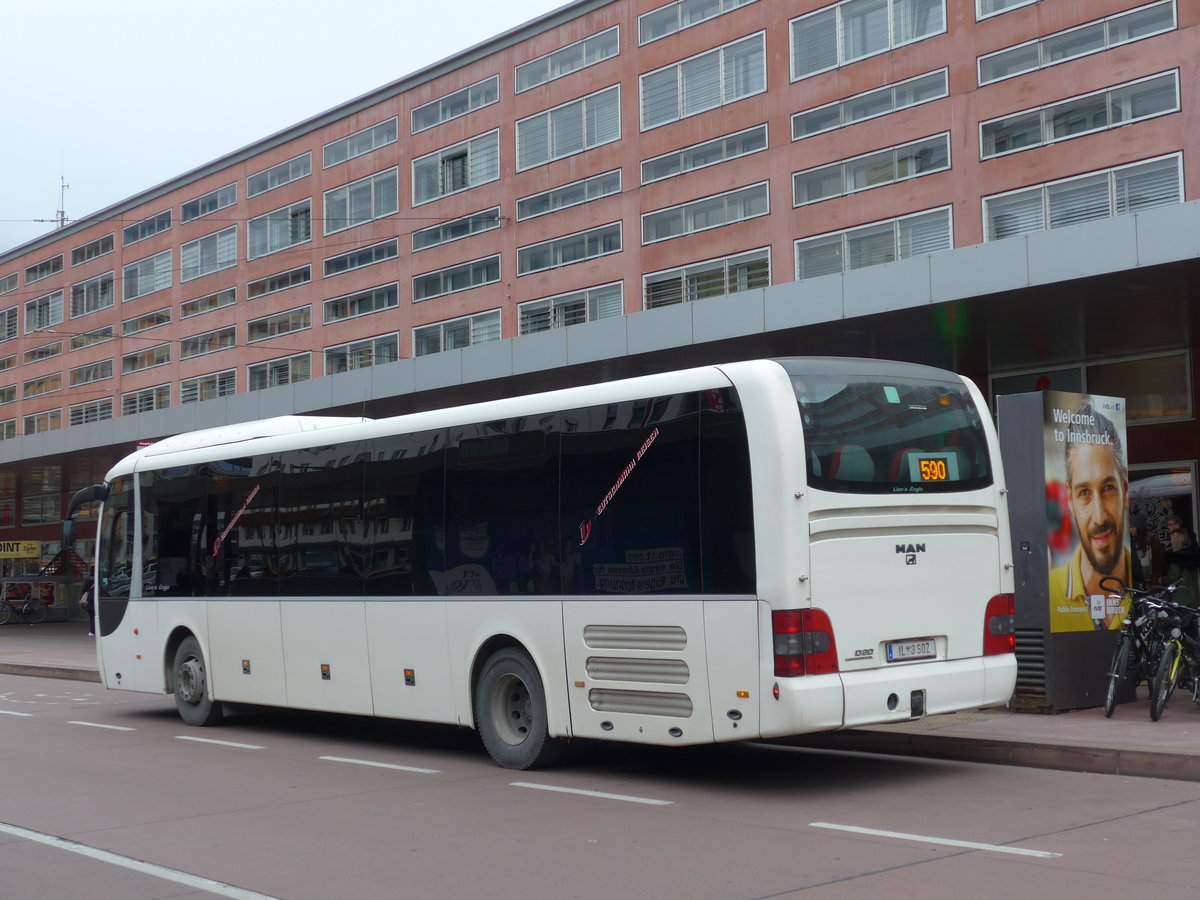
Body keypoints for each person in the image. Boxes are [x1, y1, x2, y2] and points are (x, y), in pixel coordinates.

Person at [1048, 403, 1131, 631]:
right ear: (1070, 499)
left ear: (1125, 488)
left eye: (1108, 488)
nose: (1099, 517)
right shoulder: (1049, 592)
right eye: (1084, 492)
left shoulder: (1142, 588)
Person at [1163, 525, 1200, 608]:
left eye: (1172, 539)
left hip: (1181, 599)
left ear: (1177, 541)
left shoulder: (1176, 559)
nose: (1171, 541)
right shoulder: (1193, 556)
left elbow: (1172, 578)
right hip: (1195, 597)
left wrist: (1162, 579)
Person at [1130, 515, 1162, 590]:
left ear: (1139, 528)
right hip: (1135, 581)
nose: (1130, 530)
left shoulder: (1152, 543)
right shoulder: (1129, 543)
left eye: (1132, 527)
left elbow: (1158, 562)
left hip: (1149, 580)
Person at [80, 571, 96, 637]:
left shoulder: (87, 579)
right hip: (98, 600)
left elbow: (83, 589)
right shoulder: (100, 578)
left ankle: (92, 631)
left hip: (90, 600)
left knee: (91, 617)